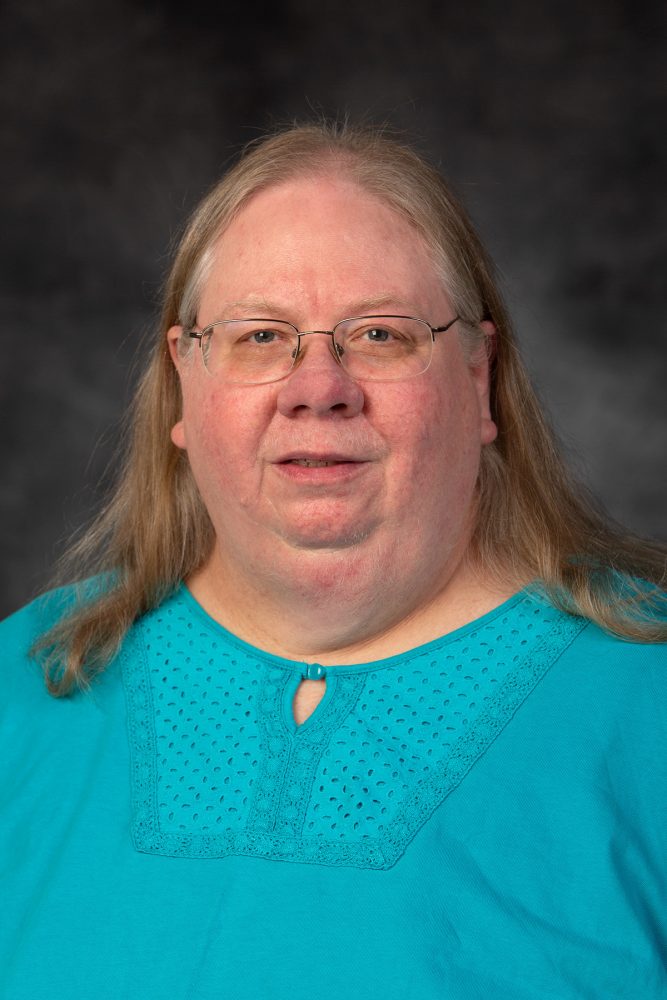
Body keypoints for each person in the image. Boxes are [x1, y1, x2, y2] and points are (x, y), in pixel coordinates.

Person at [1, 121, 665, 1000]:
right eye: (260, 337)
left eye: (381, 335)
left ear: (477, 379)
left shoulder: (644, 697)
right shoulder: (25, 682)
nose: (319, 387)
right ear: (182, 385)